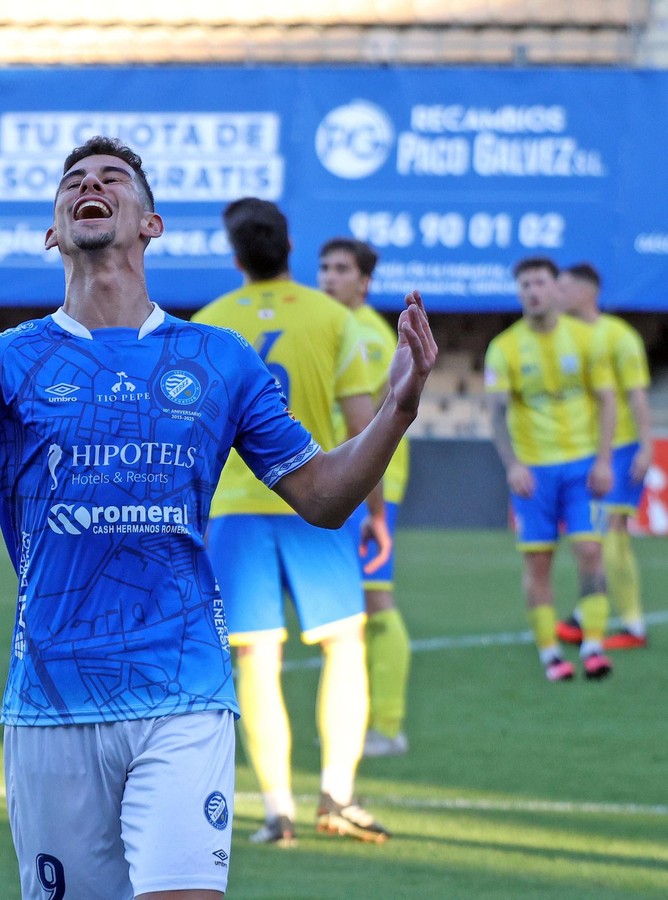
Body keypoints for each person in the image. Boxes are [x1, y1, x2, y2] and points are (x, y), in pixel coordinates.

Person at [0, 136, 437, 900]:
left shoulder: (218, 359)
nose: (91, 185)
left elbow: (322, 496)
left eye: (112, 178)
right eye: (75, 182)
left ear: (150, 223)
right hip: (53, 701)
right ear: (55, 229)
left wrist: (398, 407)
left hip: (183, 689)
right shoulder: (2, 361)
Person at [194, 201, 390, 851]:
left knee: (256, 657)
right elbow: (363, 426)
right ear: (291, 249)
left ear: (236, 257)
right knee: (343, 646)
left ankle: (277, 812)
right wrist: (378, 510)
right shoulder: (333, 317)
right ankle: (337, 794)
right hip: (320, 501)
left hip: (237, 510)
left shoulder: (209, 323)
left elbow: (194, 435)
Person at [484, 257, 616, 682]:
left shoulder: (585, 339)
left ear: (556, 289)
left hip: (581, 468)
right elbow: (497, 415)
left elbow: (608, 401)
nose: (532, 291)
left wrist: (603, 459)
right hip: (534, 473)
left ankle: (593, 644)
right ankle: (550, 653)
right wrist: (513, 465)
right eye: (524, 284)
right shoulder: (504, 348)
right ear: (518, 292)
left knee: (591, 551)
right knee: (538, 563)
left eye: (539, 282)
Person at [317, 236, 412, 757]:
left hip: (371, 483)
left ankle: (389, 725)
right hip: (341, 480)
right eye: (324, 267)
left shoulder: (370, 337)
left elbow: (373, 422)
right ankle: (355, 720)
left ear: (365, 281)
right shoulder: (332, 326)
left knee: (376, 599)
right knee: (348, 605)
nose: (329, 277)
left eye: (342, 269)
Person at [555, 264, 652, 650]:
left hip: (621, 448)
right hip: (583, 448)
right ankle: (585, 614)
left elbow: (636, 394)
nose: (557, 295)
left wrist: (646, 446)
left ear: (586, 292)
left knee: (611, 534)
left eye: (564, 287)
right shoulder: (560, 337)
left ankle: (632, 626)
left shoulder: (619, 336)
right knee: (590, 535)